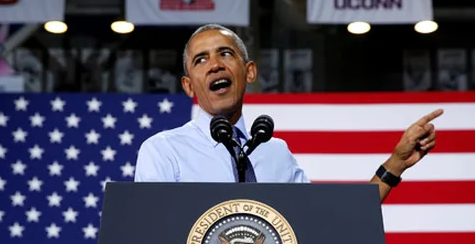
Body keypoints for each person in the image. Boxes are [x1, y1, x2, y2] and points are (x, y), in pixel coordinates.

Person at [134, 24, 441, 197]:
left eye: (225, 54)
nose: (215, 65)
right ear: (188, 86)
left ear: (249, 72)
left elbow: (330, 225)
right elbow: (148, 238)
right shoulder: (164, 151)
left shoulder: (275, 152)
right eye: (201, 60)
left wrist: (396, 164)